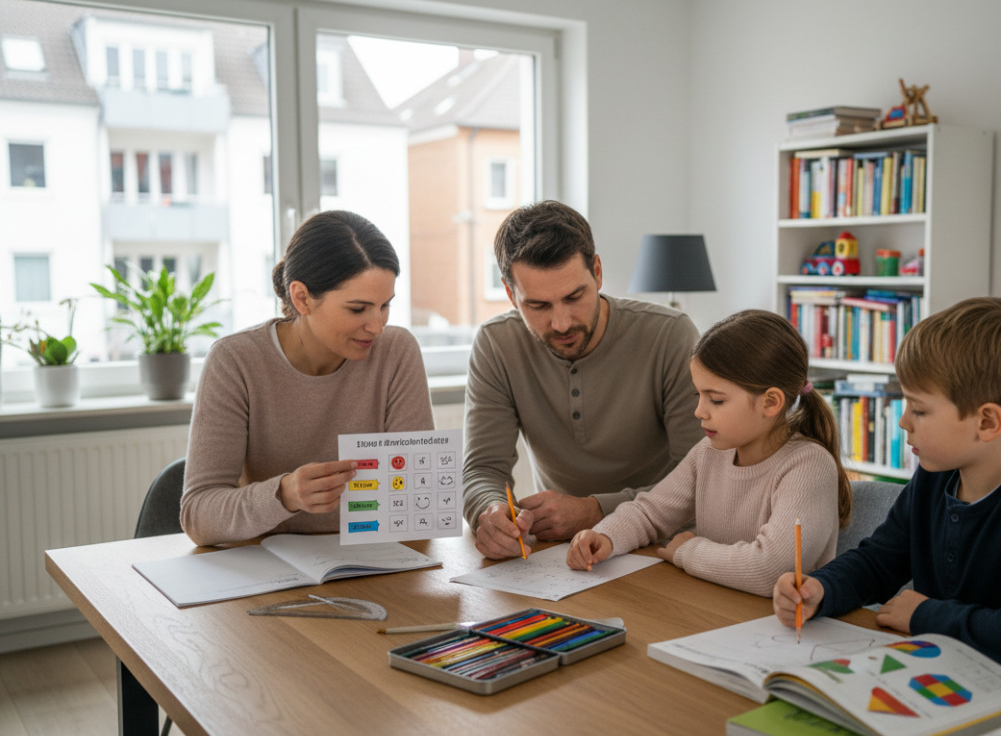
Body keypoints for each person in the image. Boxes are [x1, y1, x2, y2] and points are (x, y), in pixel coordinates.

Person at [772, 297, 1001, 673]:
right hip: (945, 675)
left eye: (919, 409)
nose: (903, 422)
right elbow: (880, 562)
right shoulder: (935, 476)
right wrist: (822, 588)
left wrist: (926, 616)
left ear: (987, 422)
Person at [464, 200, 704, 559]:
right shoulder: (496, 344)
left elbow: (702, 479)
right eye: (538, 306)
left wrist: (595, 510)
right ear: (511, 294)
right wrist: (491, 512)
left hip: (661, 545)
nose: (561, 323)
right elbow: (482, 470)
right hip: (561, 555)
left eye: (574, 297)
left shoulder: (670, 335)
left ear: (597, 272)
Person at [181, 210, 434, 546]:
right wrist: (285, 494)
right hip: (266, 561)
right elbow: (198, 514)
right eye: (358, 309)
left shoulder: (397, 352)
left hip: (374, 558)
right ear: (301, 298)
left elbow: (415, 502)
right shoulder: (235, 361)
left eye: (385, 305)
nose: (377, 326)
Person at [566, 310, 850, 597]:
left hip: (782, 622)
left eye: (716, 400)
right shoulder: (708, 454)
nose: (699, 411)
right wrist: (605, 536)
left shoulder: (808, 466)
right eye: (698, 395)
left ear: (770, 402)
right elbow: (650, 513)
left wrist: (687, 550)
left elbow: (771, 570)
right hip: (714, 609)